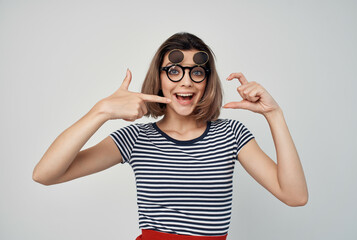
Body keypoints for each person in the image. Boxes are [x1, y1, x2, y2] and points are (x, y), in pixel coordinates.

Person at [32, 32, 308, 240]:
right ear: (159, 78)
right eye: (174, 71)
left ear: (207, 81)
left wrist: (274, 114)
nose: (186, 81)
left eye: (197, 72)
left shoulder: (230, 135)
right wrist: (100, 112)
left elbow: (295, 196)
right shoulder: (136, 139)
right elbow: (45, 174)